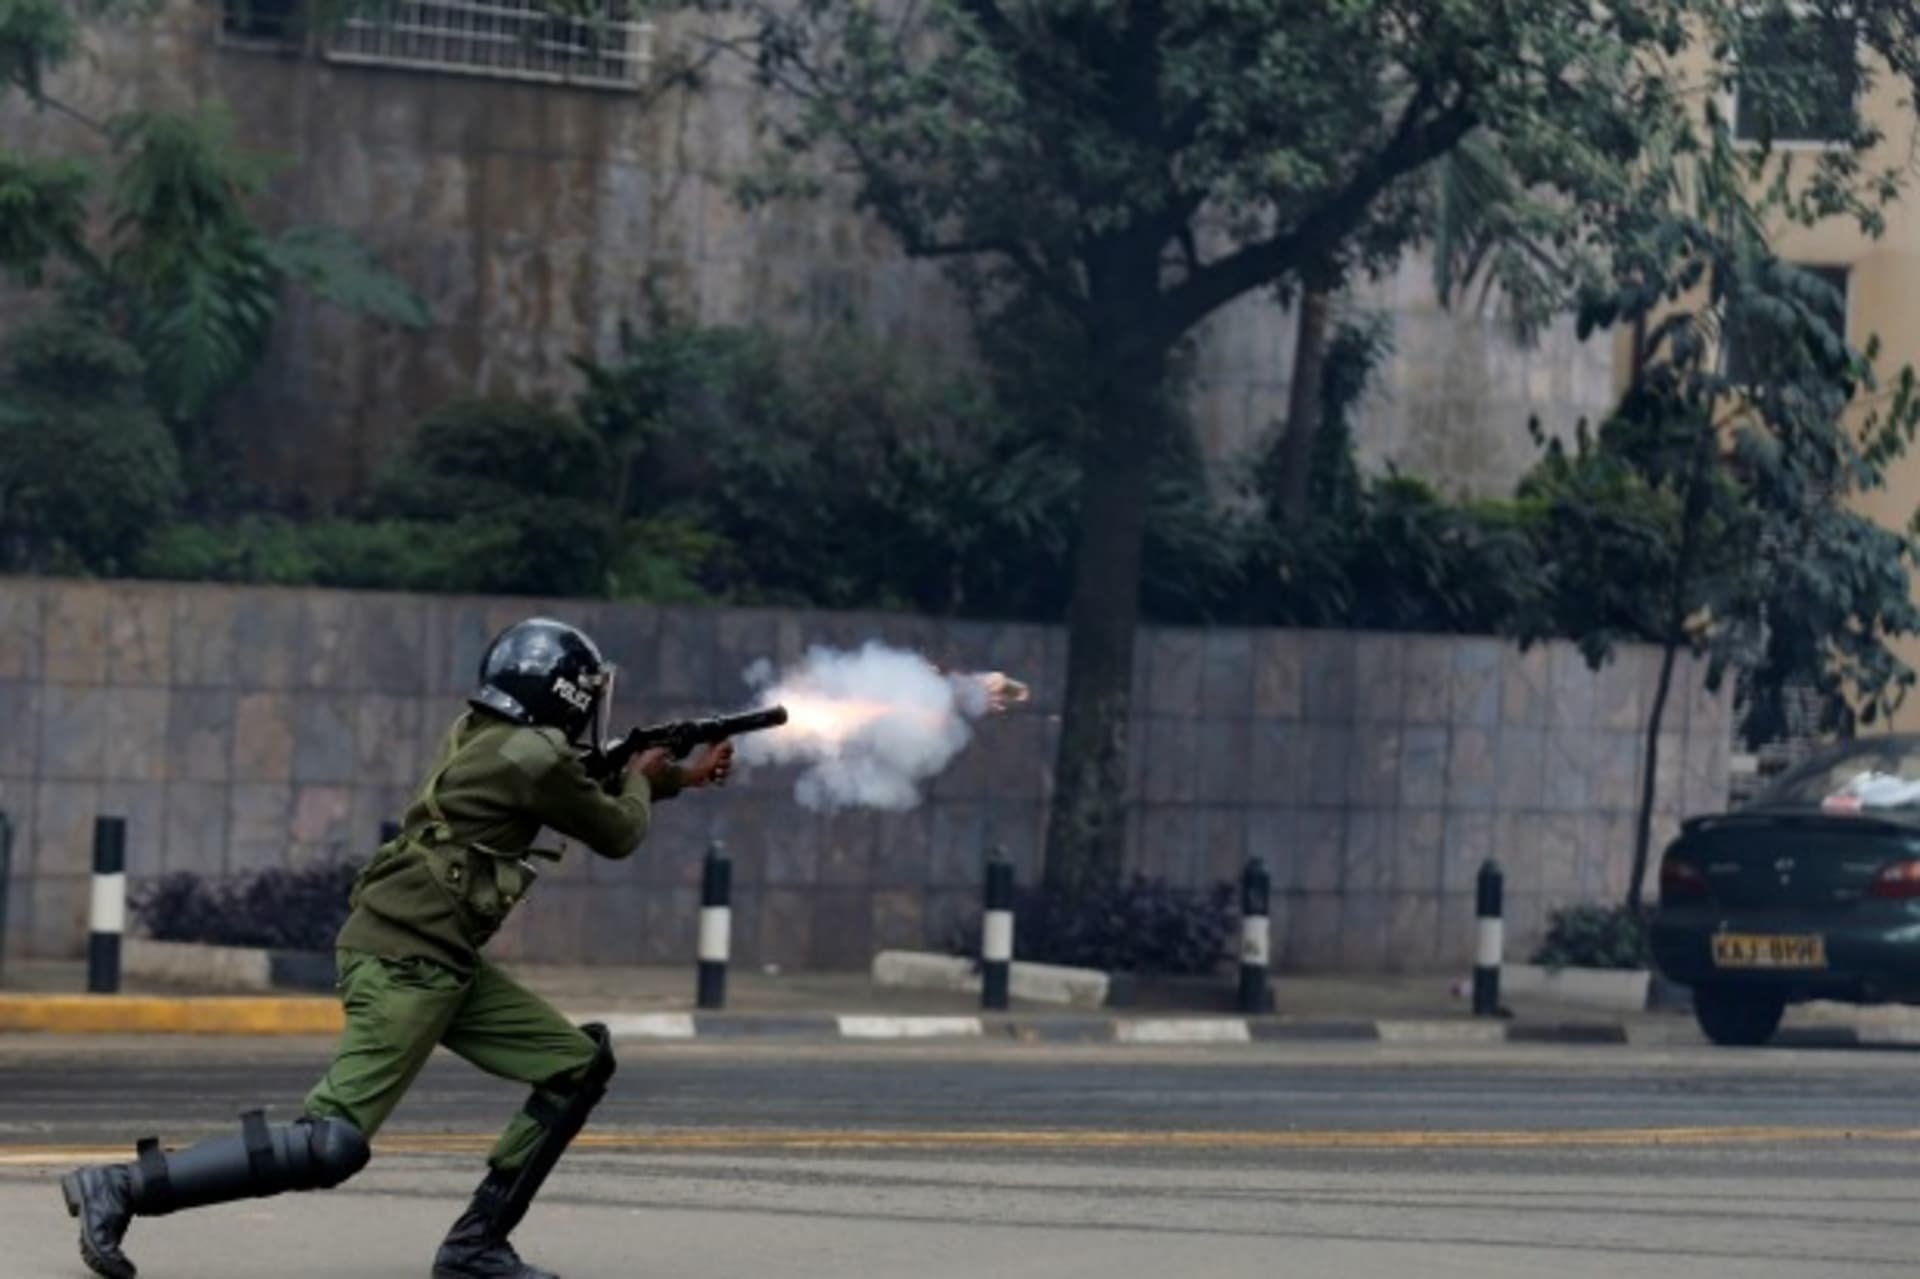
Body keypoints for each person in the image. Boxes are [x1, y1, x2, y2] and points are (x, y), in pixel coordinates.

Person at [60, 617, 734, 1279]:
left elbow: (580, 784)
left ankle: (475, 1246)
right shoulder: (535, 758)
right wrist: (647, 776)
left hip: (437, 955)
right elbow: (616, 829)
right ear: (566, 698)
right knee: (331, 1142)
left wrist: (676, 776)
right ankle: (122, 1186)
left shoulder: (484, 734)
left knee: (577, 1066)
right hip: (407, 959)